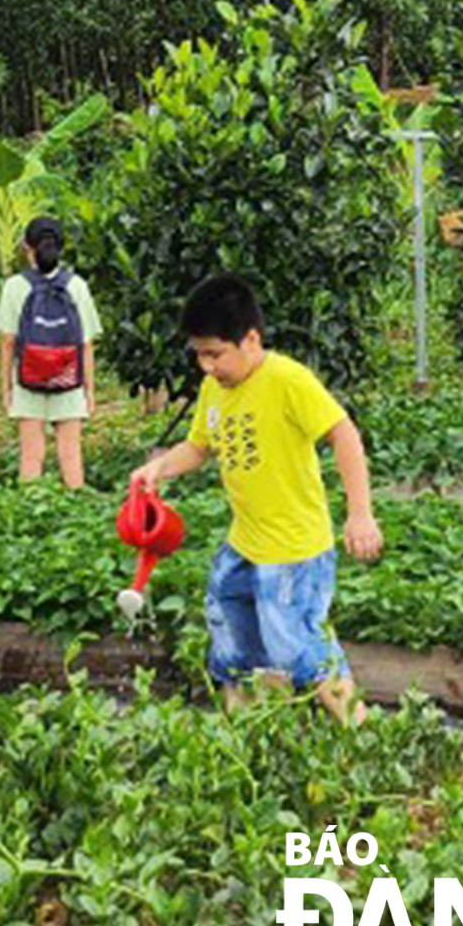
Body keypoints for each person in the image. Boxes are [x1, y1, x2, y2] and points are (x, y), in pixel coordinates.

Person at [128, 274, 384, 726]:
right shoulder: (215, 388)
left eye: (215, 354)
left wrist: (360, 514)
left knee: (299, 649)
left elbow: (343, 433)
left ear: (250, 340)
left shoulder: (287, 380)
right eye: (199, 355)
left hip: (294, 551)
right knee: (231, 643)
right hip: (244, 545)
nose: (206, 366)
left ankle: (364, 734)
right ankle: (249, 735)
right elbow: (200, 446)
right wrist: (159, 468)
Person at [0, 217, 102, 488]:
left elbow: (8, 342)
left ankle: (27, 522)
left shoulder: (14, 287)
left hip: (27, 381)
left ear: (26, 247)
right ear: (61, 247)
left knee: (31, 458)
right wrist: (90, 393)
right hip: (69, 379)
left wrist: (6, 389)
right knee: (71, 455)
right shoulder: (77, 285)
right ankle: (79, 513)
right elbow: (86, 344)